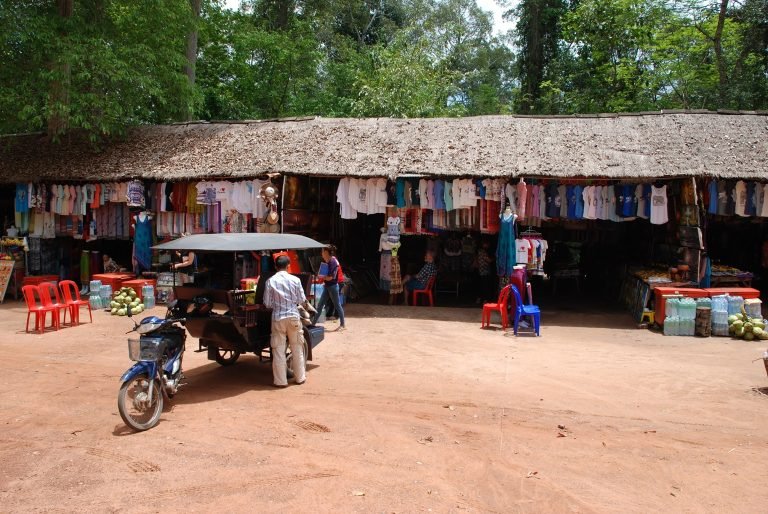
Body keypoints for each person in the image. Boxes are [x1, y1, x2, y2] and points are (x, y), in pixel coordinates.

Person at [263, 255, 307, 387]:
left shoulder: (270, 281)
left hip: (278, 319)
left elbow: (267, 303)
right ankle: (300, 378)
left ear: (275, 267)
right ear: (288, 266)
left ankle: (281, 382)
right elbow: (301, 299)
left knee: (278, 351)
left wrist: (277, 305)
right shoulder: (296, 280)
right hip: (293, 317)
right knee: (297, 348)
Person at [312, 245, 346, 330]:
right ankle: (313, 324)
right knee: (320, 305)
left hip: (333, 286)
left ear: (326, 252)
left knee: (337, 305)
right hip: (327, 286)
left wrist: (321, 277)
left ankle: (342, 325)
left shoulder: (333, 262)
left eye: (322, 251)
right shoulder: (328, 261)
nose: (321, 253)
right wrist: (322, 277)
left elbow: (331, 277)